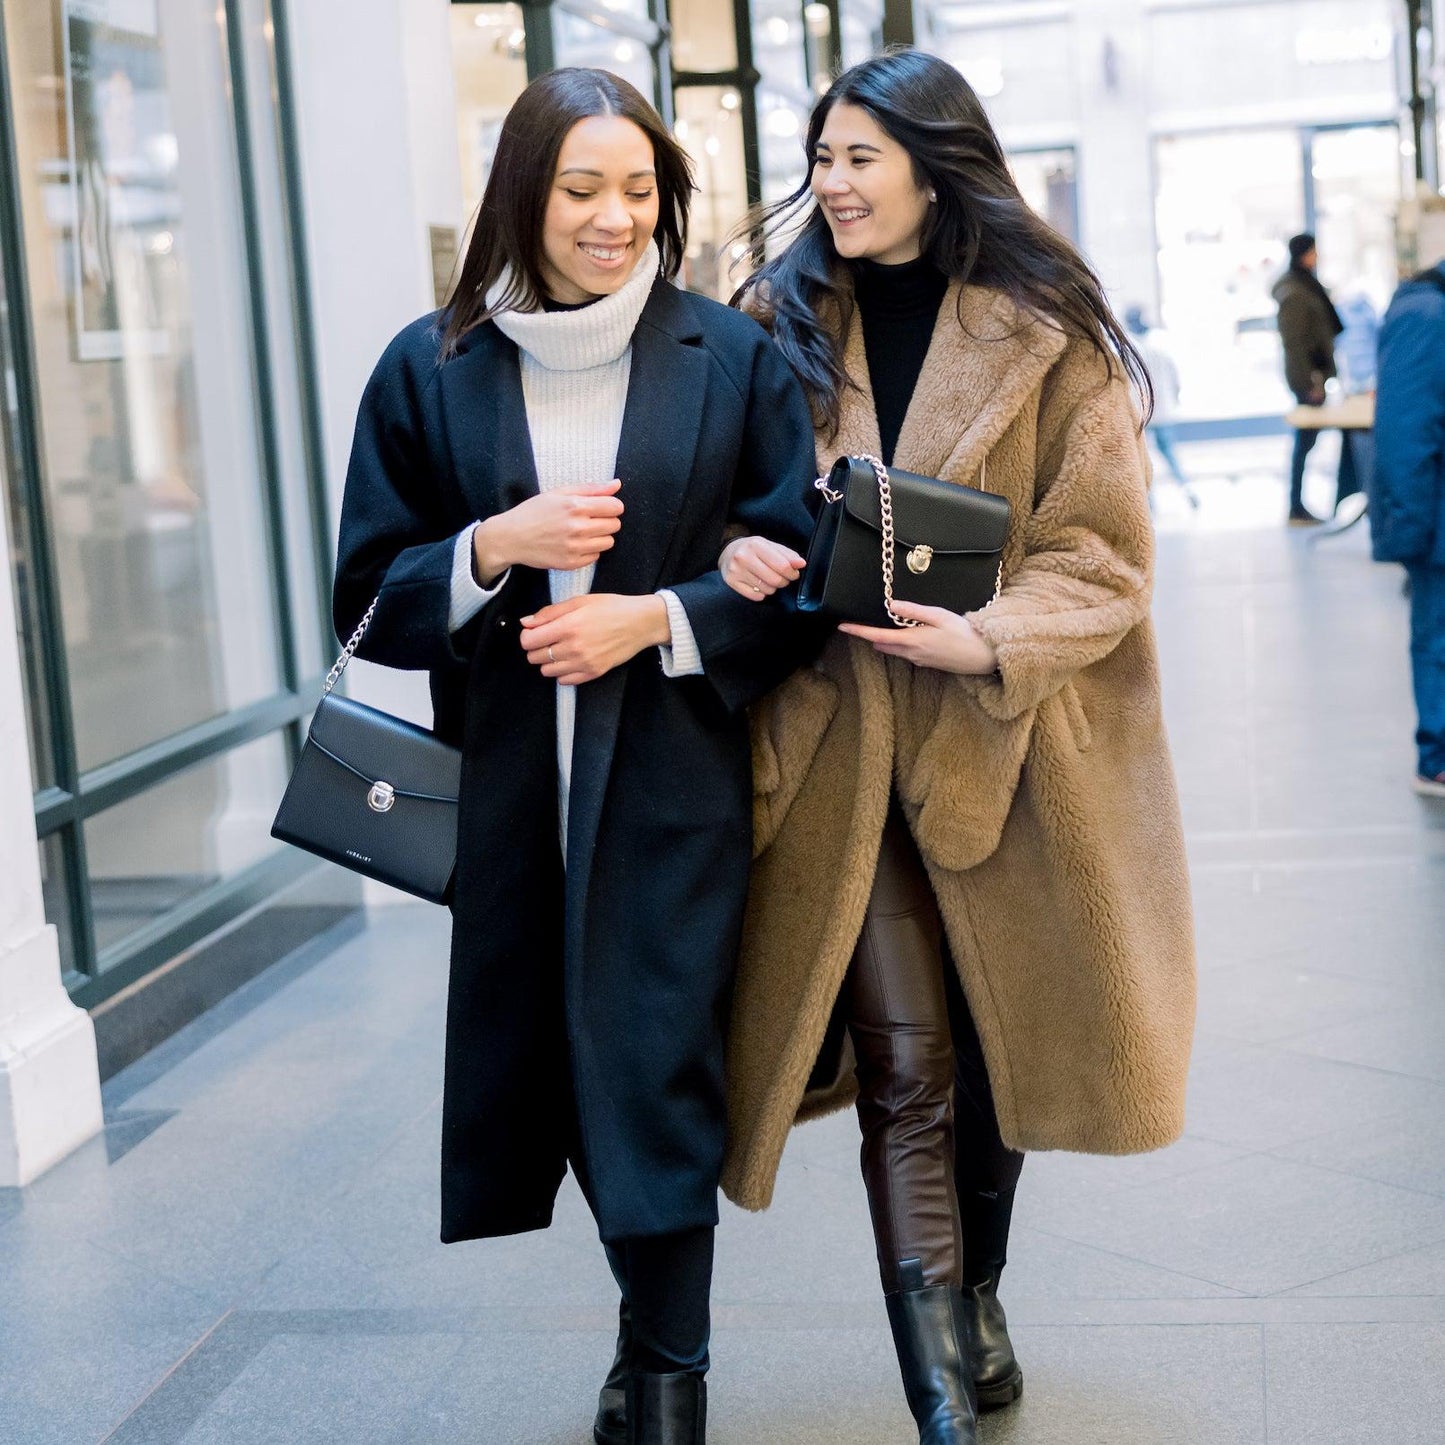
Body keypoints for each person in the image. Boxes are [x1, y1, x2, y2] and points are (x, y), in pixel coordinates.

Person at [332, 69, 818, 1445]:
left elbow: (795, 583)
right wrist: (496, 548)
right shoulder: (429, 367)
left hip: (670, 786)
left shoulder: (728, 358)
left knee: (652, 1062)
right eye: (582, 188)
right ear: (523, 195)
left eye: (640, 189)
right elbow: (364, 600)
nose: (616, 219)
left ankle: (670, 1375)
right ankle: (645, 1335)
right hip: (501, 799)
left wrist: (653, 618)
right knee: (552, 1062)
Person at [717, 50, 1197, 1445]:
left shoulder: (1045, 328)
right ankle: (937, 1384)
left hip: (1006, 748)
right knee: (908, 1064)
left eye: (860, 155)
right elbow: (722, 512)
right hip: (836, 748)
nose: (833, 182)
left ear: (936, 162)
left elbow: (1100, 557)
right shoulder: (771, 321)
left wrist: (987, 638)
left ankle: (976, 1289)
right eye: (821, 157)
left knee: (992, 1053)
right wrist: (752, 549)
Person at [1372, 258, 1445, 797]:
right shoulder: (1425, 315)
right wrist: (1411, 529)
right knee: (1438, 638)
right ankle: (1437, 756)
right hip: (1437, 525)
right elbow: (1404, 433)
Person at [1273, 232, 1357, 524]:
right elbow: (1295, 344)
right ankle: (1296, 506)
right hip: (1308, 380)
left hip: (1314, 376)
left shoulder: (1305, 285)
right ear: (1303, 254)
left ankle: (1297, 505)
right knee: (1305, 441)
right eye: (1313, 251)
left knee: (1307, 441)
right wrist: (1310, 382)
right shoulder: (1295, 292)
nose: (1317, 256)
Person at [1124, 304, 1198, 508]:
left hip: (1142, 411)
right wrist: (1176, 397)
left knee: (1142, 457)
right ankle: (1186, 488)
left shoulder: (1129, 345)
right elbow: (1175, 376)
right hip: (1164, 408)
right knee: (1170, 453)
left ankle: (1149, 500)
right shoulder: (1160, 342)